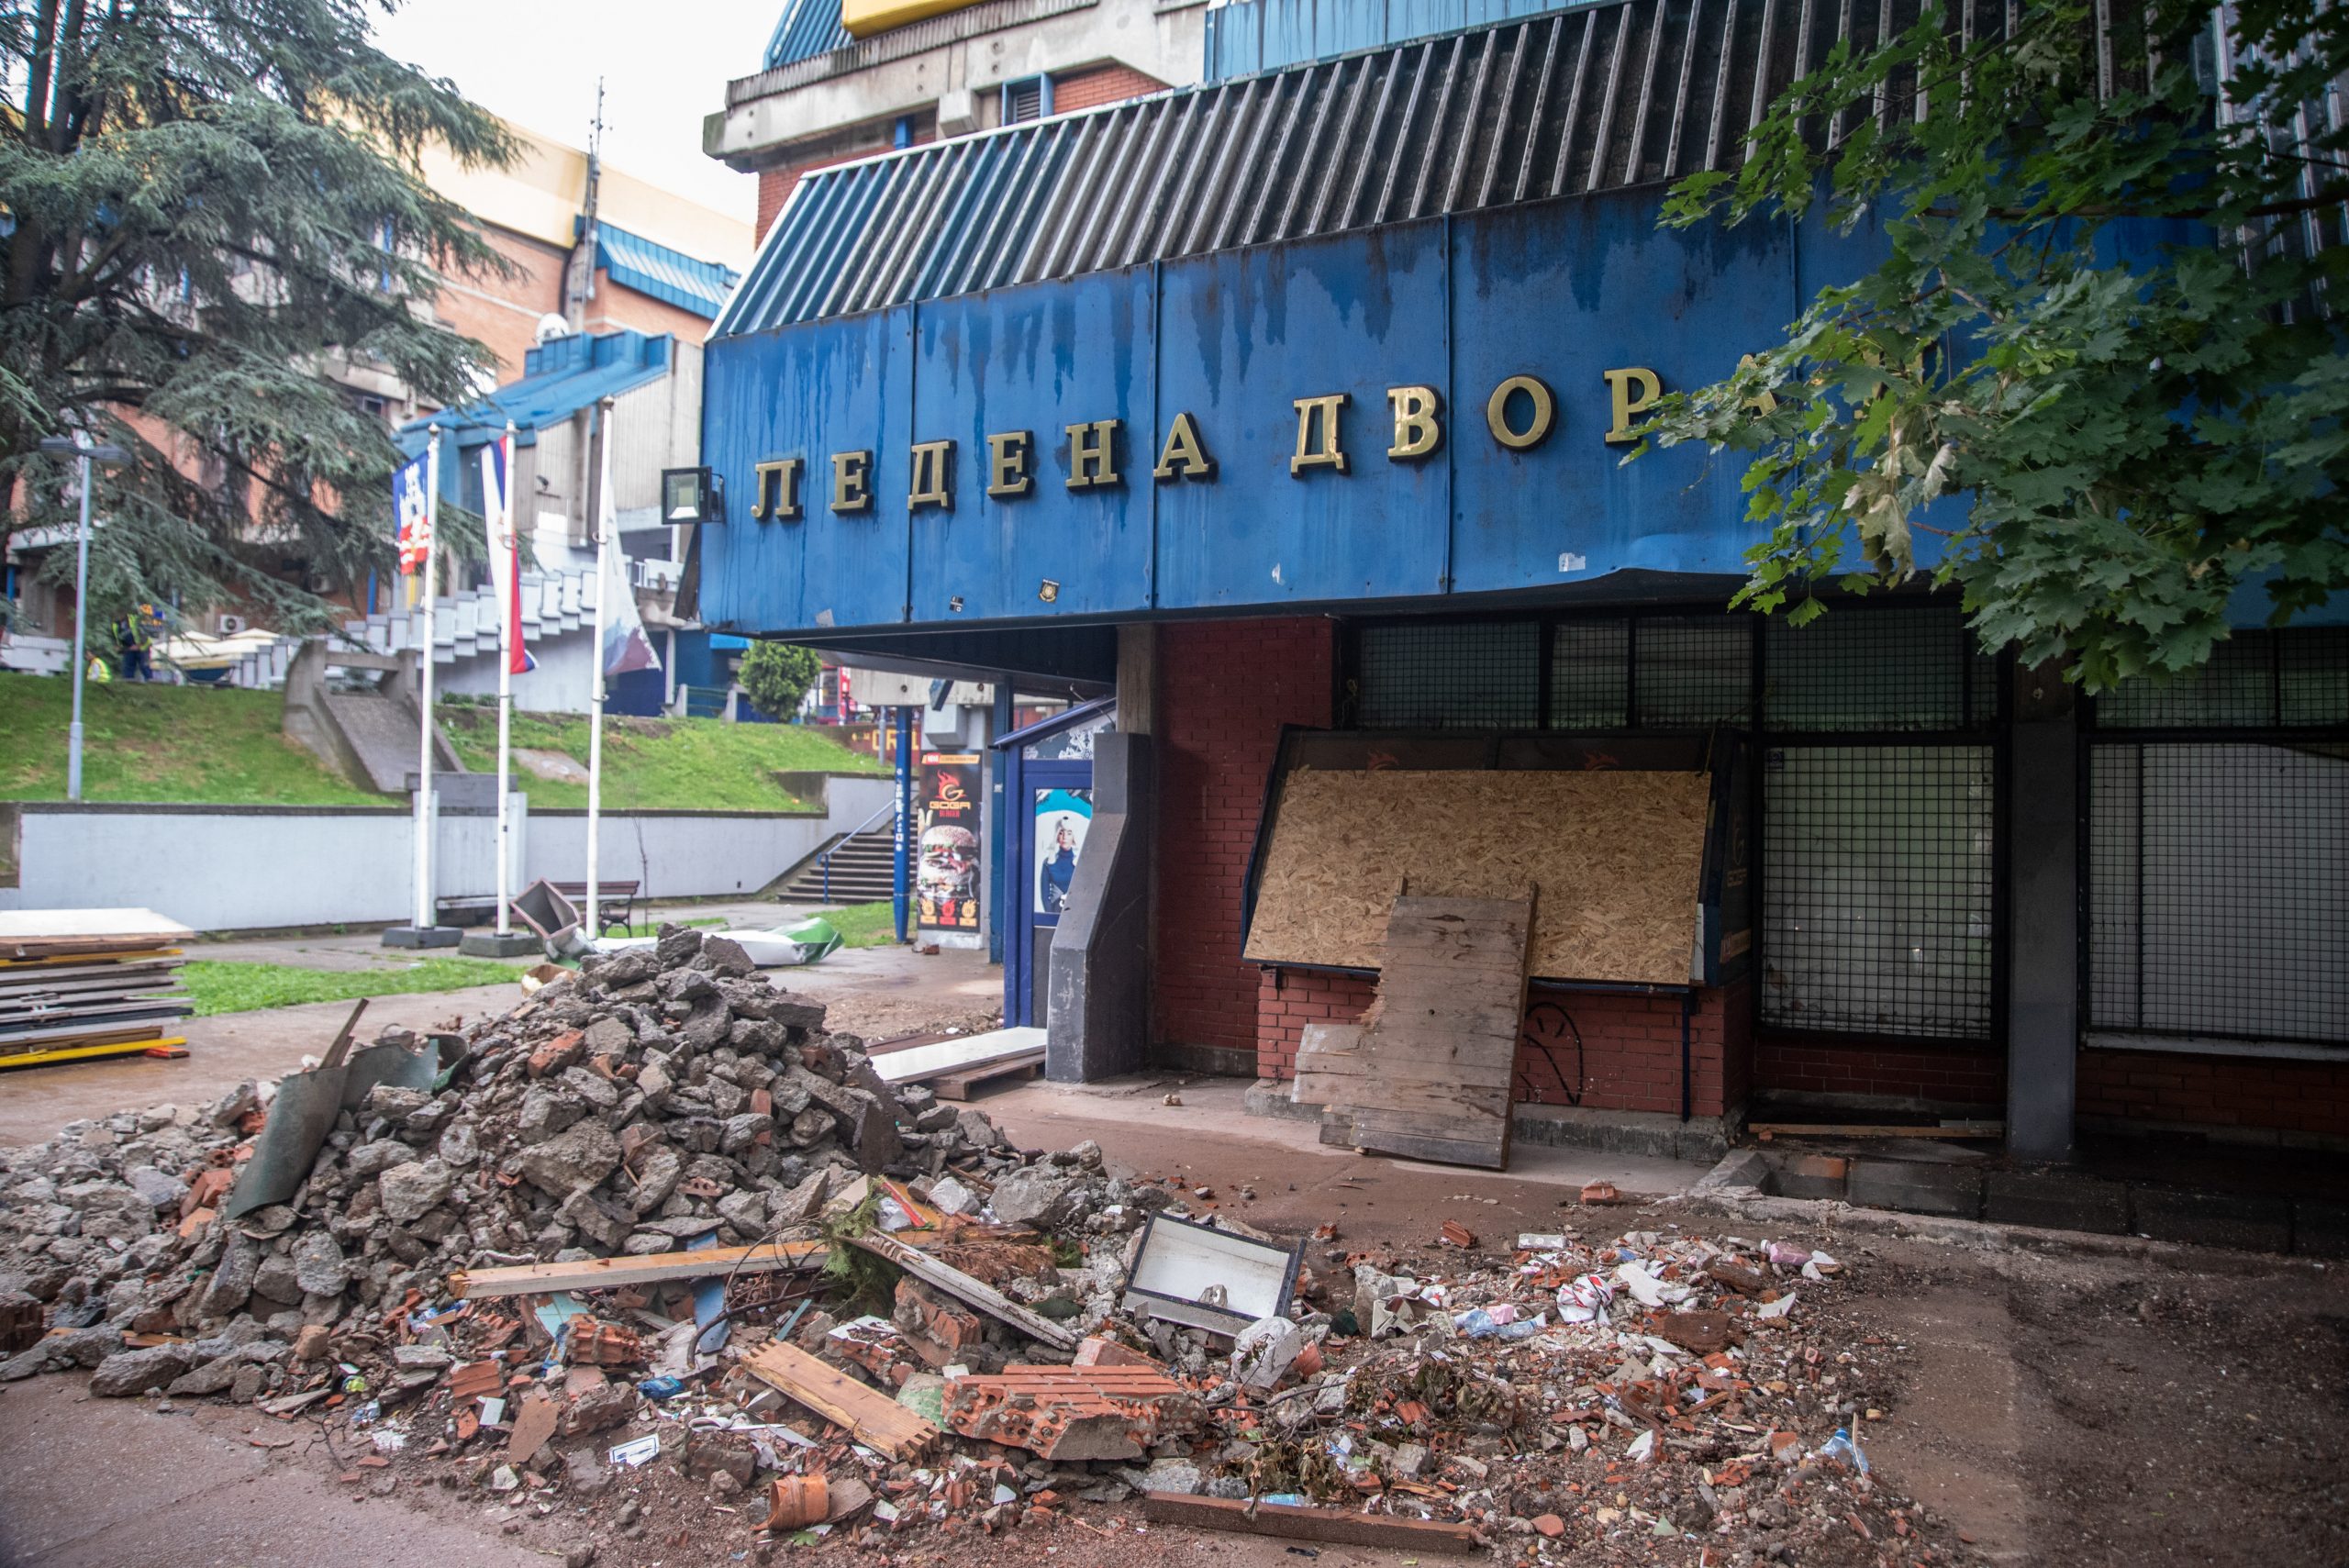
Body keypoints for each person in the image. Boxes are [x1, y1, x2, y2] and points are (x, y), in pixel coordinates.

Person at [1039, 817, 1079, 914]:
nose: (1065, 837)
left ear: (1073, 837)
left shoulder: (1080, 861)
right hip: (1055, 913)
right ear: (1056, 835)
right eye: (1061, 833)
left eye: (1069, 833)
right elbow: (1045, 895)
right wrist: (1050, 915)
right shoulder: (1048, 863)